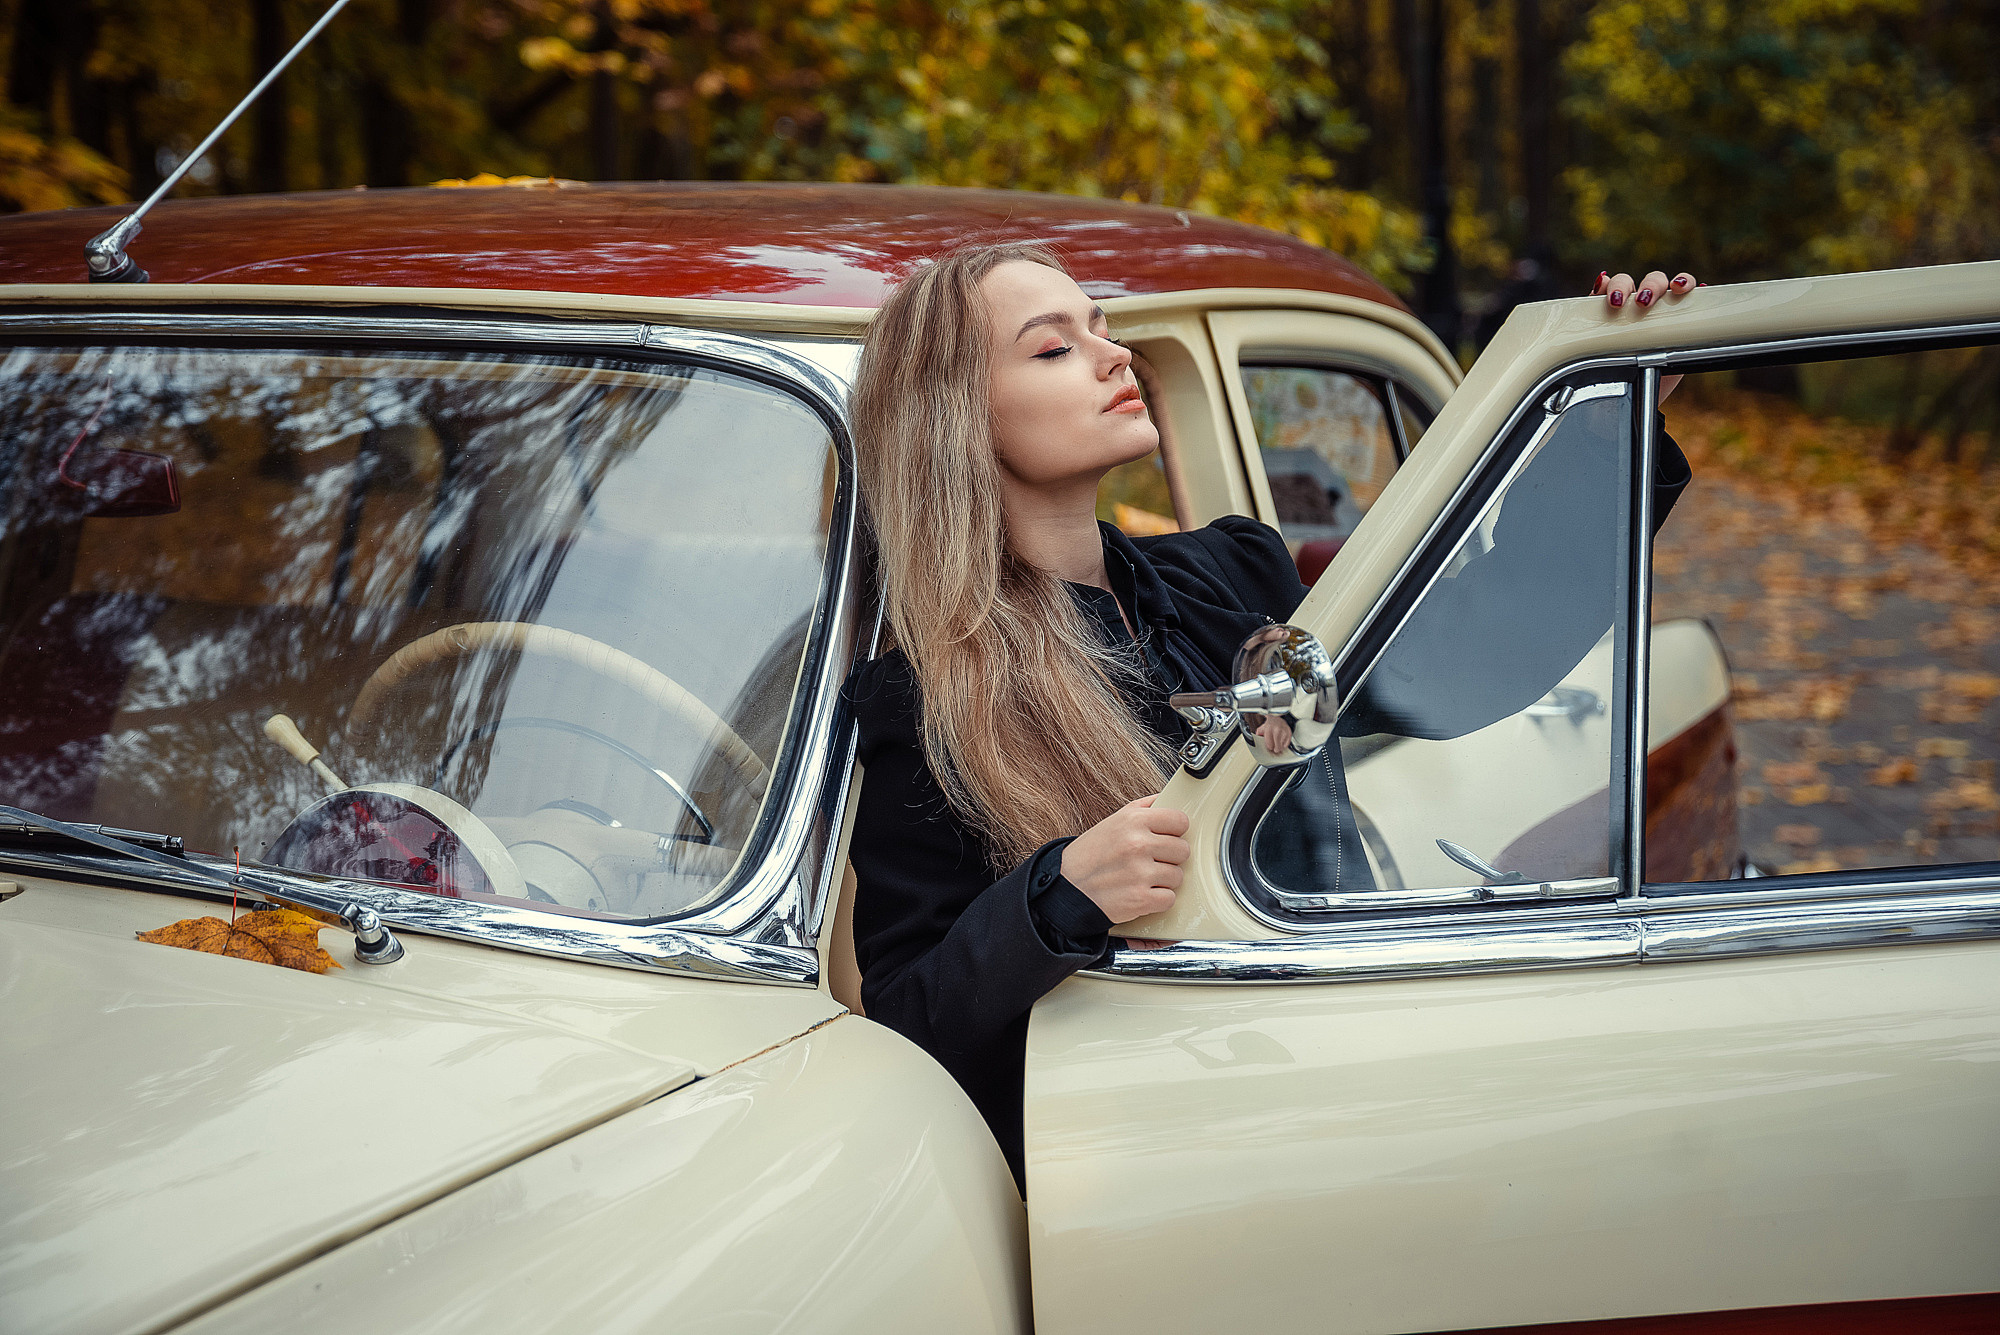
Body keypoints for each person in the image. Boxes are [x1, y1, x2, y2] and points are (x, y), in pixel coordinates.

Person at [843, 244, 1695, 1189]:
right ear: (959, 421)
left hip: (1348, 1078)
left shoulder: (1230, 576)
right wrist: (1059, 892)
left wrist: (1607, 422)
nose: (1112, 356)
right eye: (1052, 350)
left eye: (1103, 328)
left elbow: (1449, 667)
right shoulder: (924, 700)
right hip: (1149, 1164)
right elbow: (910, 1027)